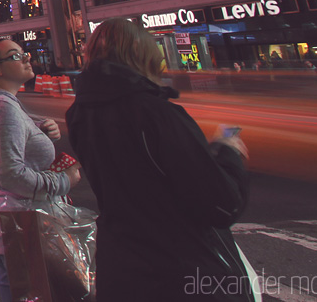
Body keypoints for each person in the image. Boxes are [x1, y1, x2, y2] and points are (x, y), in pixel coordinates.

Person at [67, 18, 251, 302]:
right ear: (144, 54)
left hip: (121, 264)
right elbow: (222, 205)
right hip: (180, 270)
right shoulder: (155, 113)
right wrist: (228, 152)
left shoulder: (80, 112)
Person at [0, 38, 80, 302]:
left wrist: (35, 128)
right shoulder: (2, 106)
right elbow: (9, 174)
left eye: (23, 53)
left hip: (11, 223)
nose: (26, 58)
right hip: (20, 224)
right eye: (15, 56)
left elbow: (3, 146)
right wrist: (64, 180)